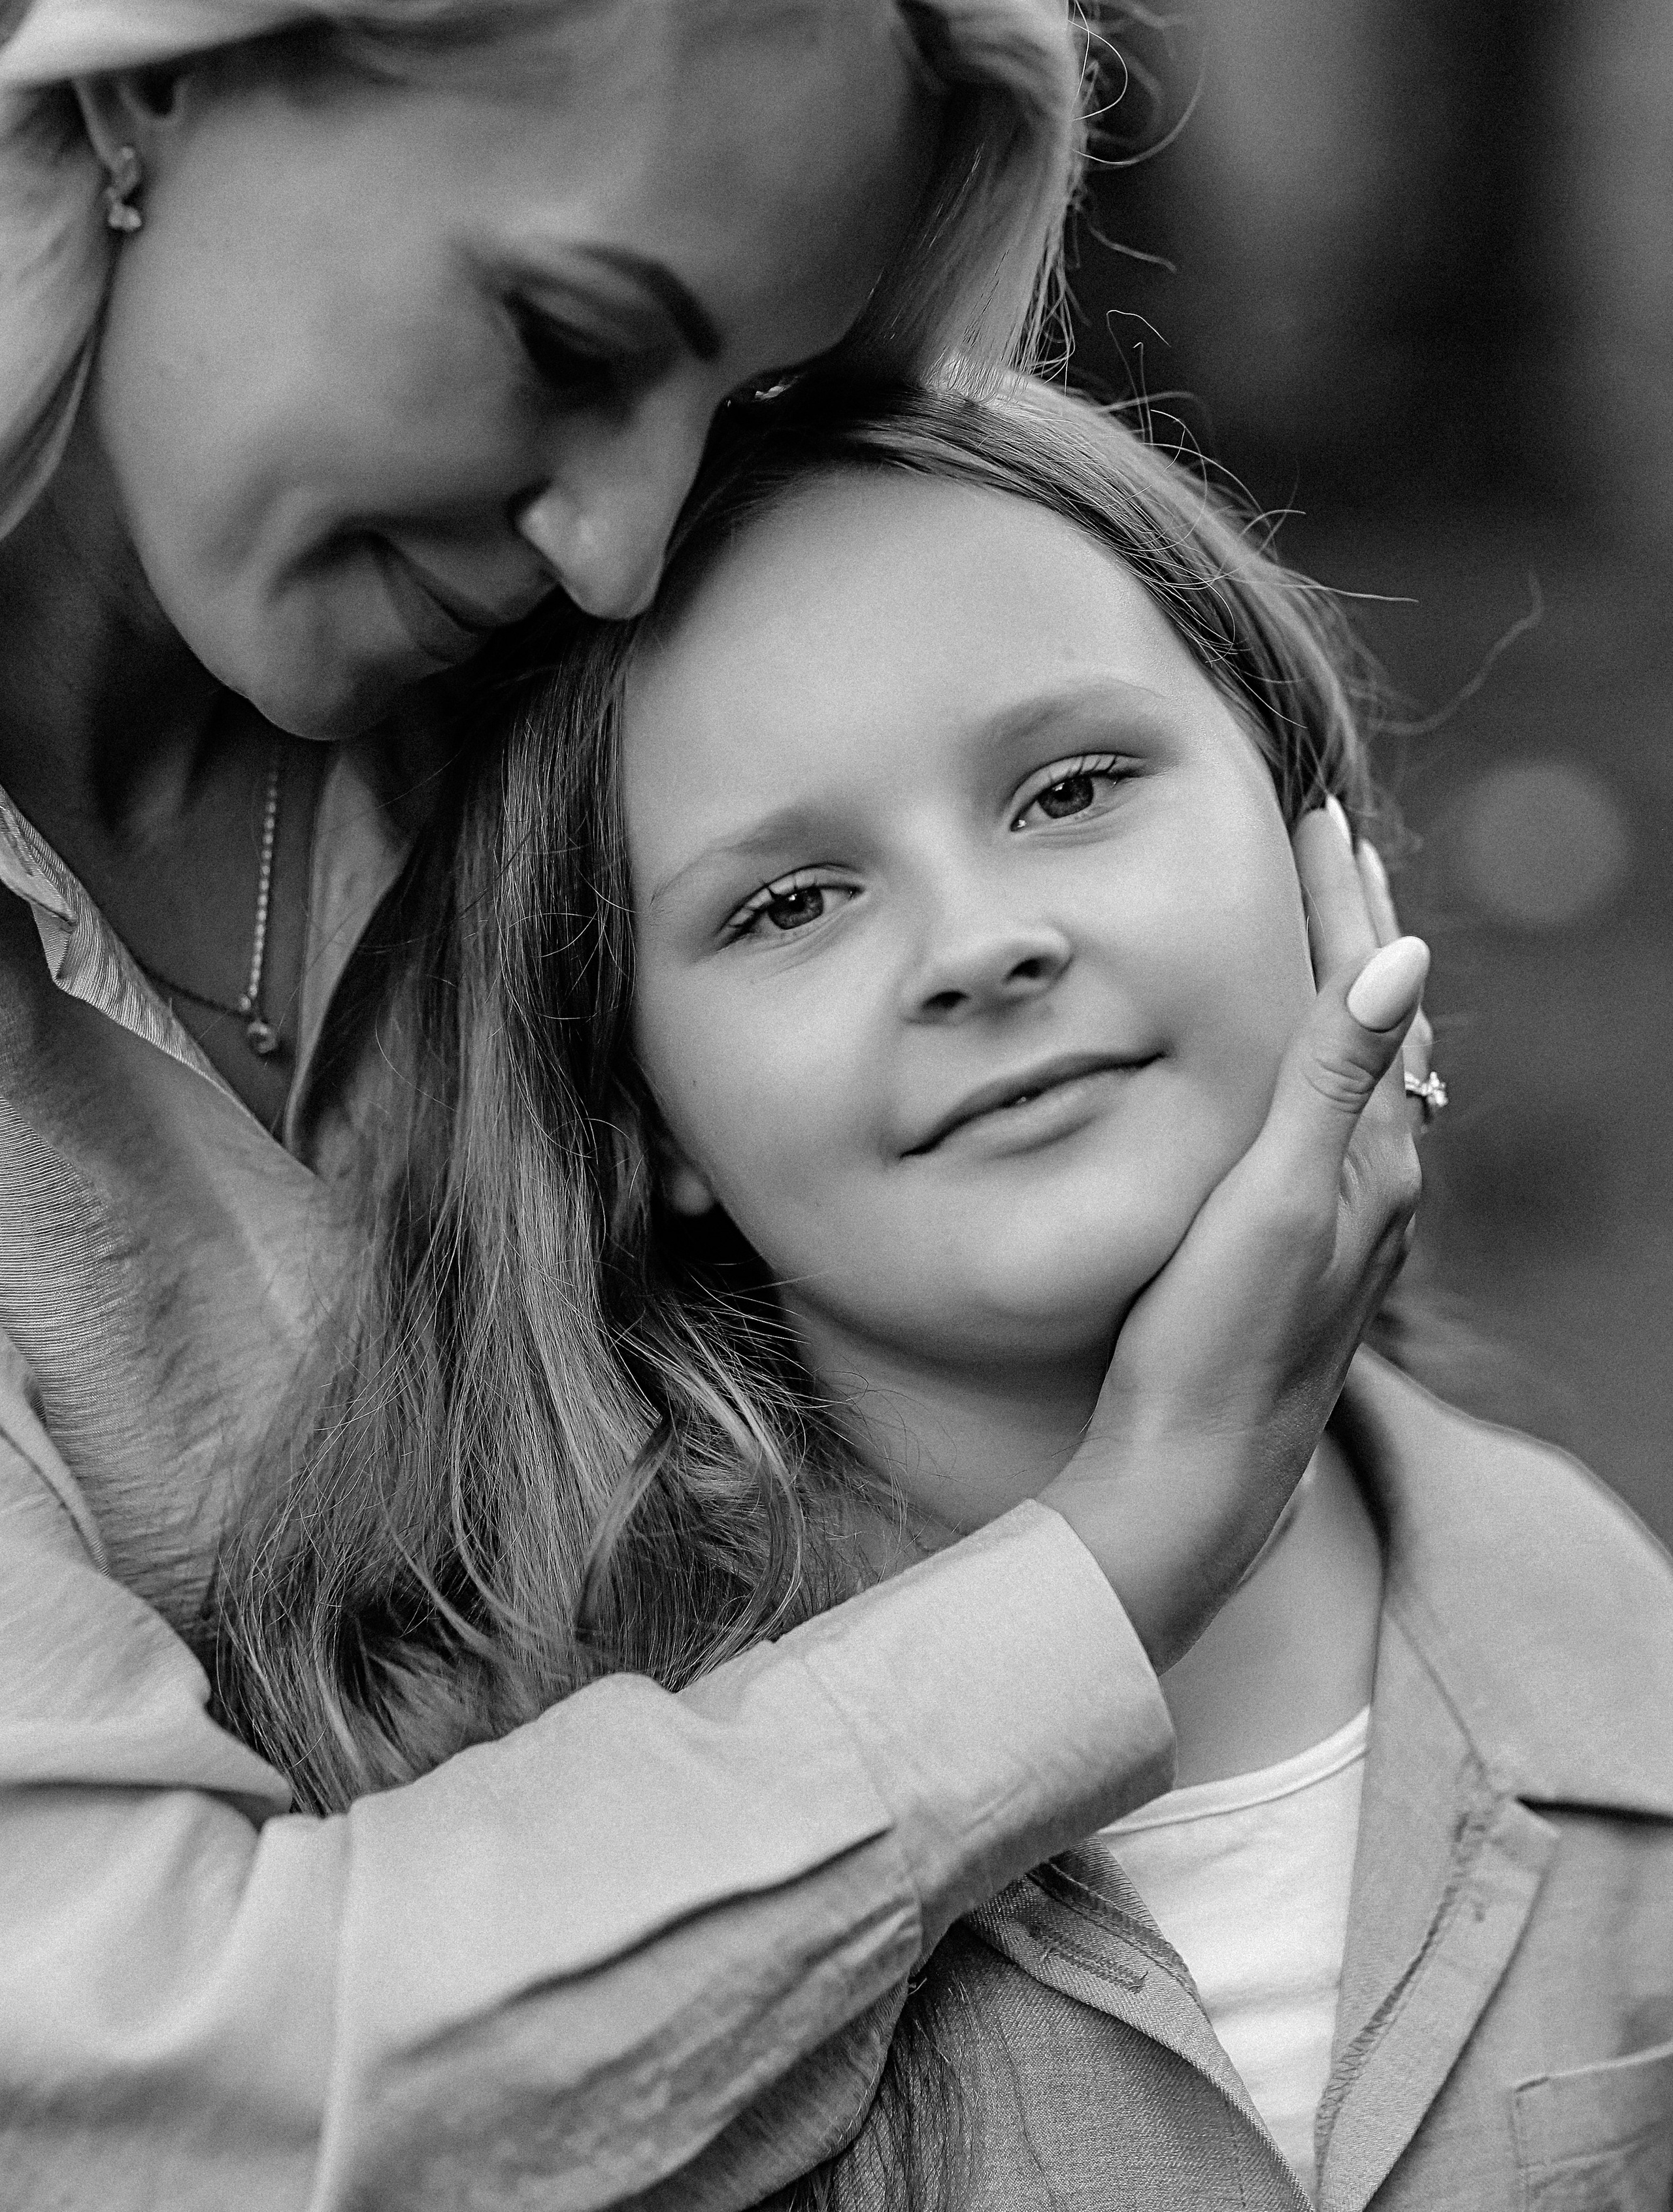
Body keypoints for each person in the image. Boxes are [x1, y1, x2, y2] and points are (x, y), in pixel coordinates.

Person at [0, 0, 1421, 2202]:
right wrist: (1128, 1549)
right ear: (155, 82)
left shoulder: (631, 734)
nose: (628, 549)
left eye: (742, 392)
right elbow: (164, 2092)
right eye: (565, 340)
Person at [240, 376, 1673, 2208]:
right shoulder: (492, 1777)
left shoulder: (1598, 1626)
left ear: (1321, 854)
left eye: (1072, 789)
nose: (981, 945)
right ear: (640, 1102)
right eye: (790, 904)